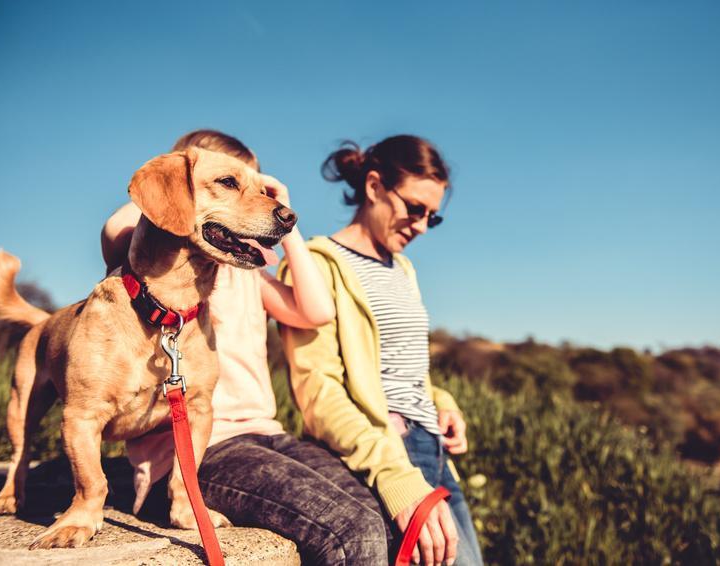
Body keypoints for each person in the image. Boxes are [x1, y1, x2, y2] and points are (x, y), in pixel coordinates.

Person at [101, 129, 389, 565]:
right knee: (355, 531)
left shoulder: (245, 272)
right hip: (200, 449)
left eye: (256, 185)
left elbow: (315, 311)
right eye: (230, 184)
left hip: (266, 435)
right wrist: (185, 170)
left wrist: (285, 215)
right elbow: (119, 225)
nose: (251, 195)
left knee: (378, 515)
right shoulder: (150, 265)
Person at [278, 135, 483, 566]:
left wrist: (442, 404)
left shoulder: (403, 268)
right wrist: (394, 476)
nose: (422, 226)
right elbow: (319, 393)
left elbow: (406, 368)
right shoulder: (317, 263)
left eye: (433, 217)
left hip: (436, 454)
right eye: (414, 208)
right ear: (373, 187)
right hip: (386, 454)